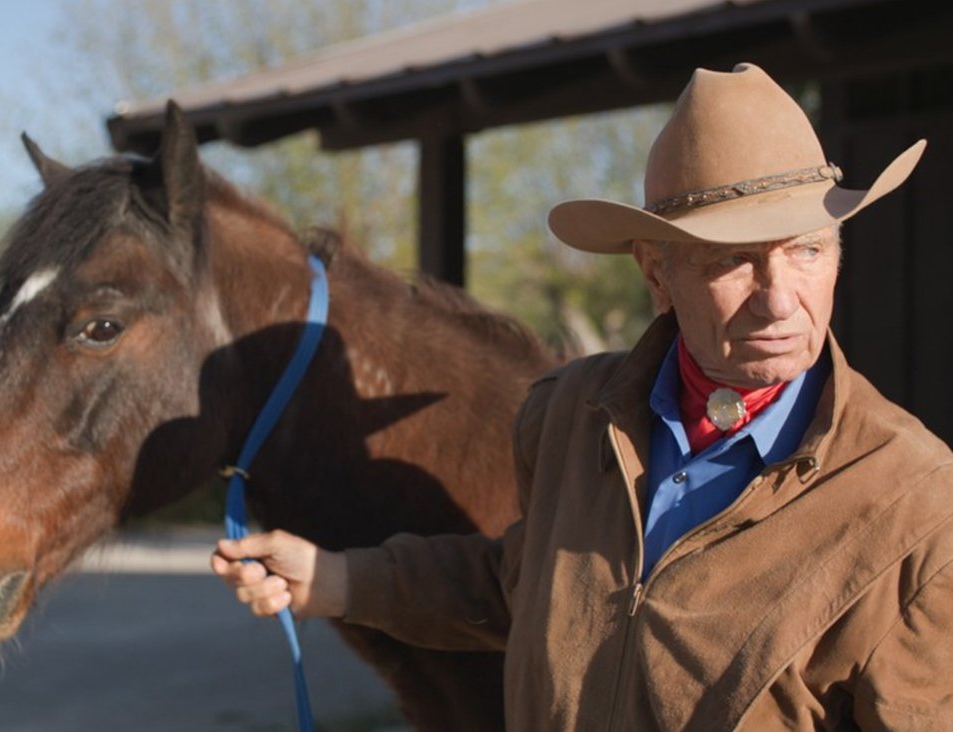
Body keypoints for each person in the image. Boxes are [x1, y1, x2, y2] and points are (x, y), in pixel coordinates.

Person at [212, 63, 953, 729]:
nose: (779, 299)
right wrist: (339, 579)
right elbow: (526, 585)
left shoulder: (915, 506)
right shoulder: (569, 414)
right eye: (732, 259)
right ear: (655, 274)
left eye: (807, 250)